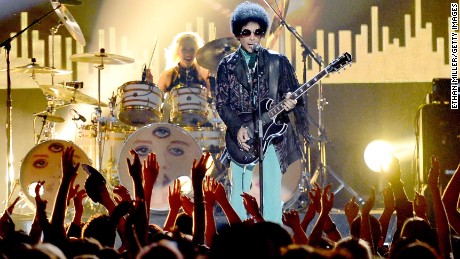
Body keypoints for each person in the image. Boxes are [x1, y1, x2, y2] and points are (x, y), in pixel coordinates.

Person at [215, 1, 309, 223]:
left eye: (257, 32)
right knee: (238, 189)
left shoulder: (278, 62)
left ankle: (273, 238)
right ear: (238, 34)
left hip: (271, 134)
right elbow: (222, 103)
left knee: (272, 190)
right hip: (241, 136)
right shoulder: (226, 66)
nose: (252, 37)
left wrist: (291, 102)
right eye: (246, 32)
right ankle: (238, 239)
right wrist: (237, 128)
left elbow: (293, 93)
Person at [146, 32, 211, 126]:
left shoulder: (204, 73)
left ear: (197, 51)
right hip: (175, 123)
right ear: (177, 51)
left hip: (200, 123)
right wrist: (150, 85)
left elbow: (213, 98)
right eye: (184, 50)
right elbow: (156, 101)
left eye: (192, 50)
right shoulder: (169, 74)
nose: (188, 53)